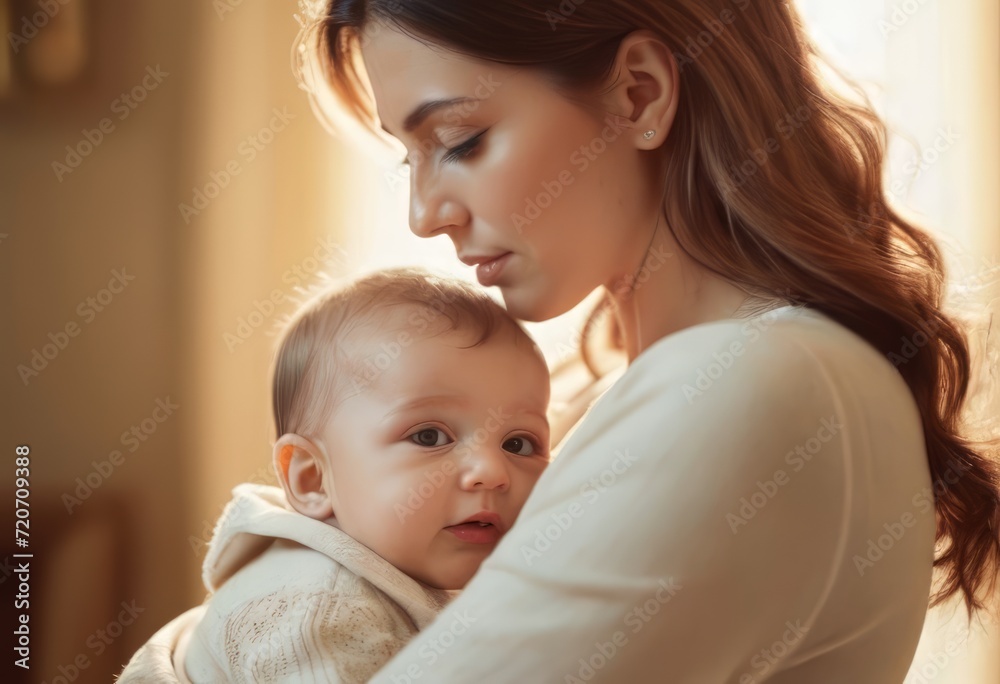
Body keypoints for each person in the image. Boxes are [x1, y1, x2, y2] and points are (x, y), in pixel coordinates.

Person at [301, 1, 1000, 682]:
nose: (425, 215)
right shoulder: (601, 400)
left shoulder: (751, 380)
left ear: (639, 95)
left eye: (459, 141)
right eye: (408, 160)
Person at [116, 267, 552, 682]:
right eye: (429, 436)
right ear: (312, 479)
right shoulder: (319, 611)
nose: (492, 472)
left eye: (518, 443)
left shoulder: (393, 572)